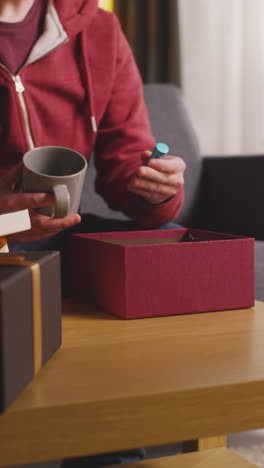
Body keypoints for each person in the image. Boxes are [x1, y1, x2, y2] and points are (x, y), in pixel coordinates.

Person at [0, 0, 186, 466]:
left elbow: (127, 160)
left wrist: (155, 188)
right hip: (3, 237)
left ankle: (118, 443)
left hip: (64, 234)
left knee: (172, 251)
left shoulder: (97, 27)